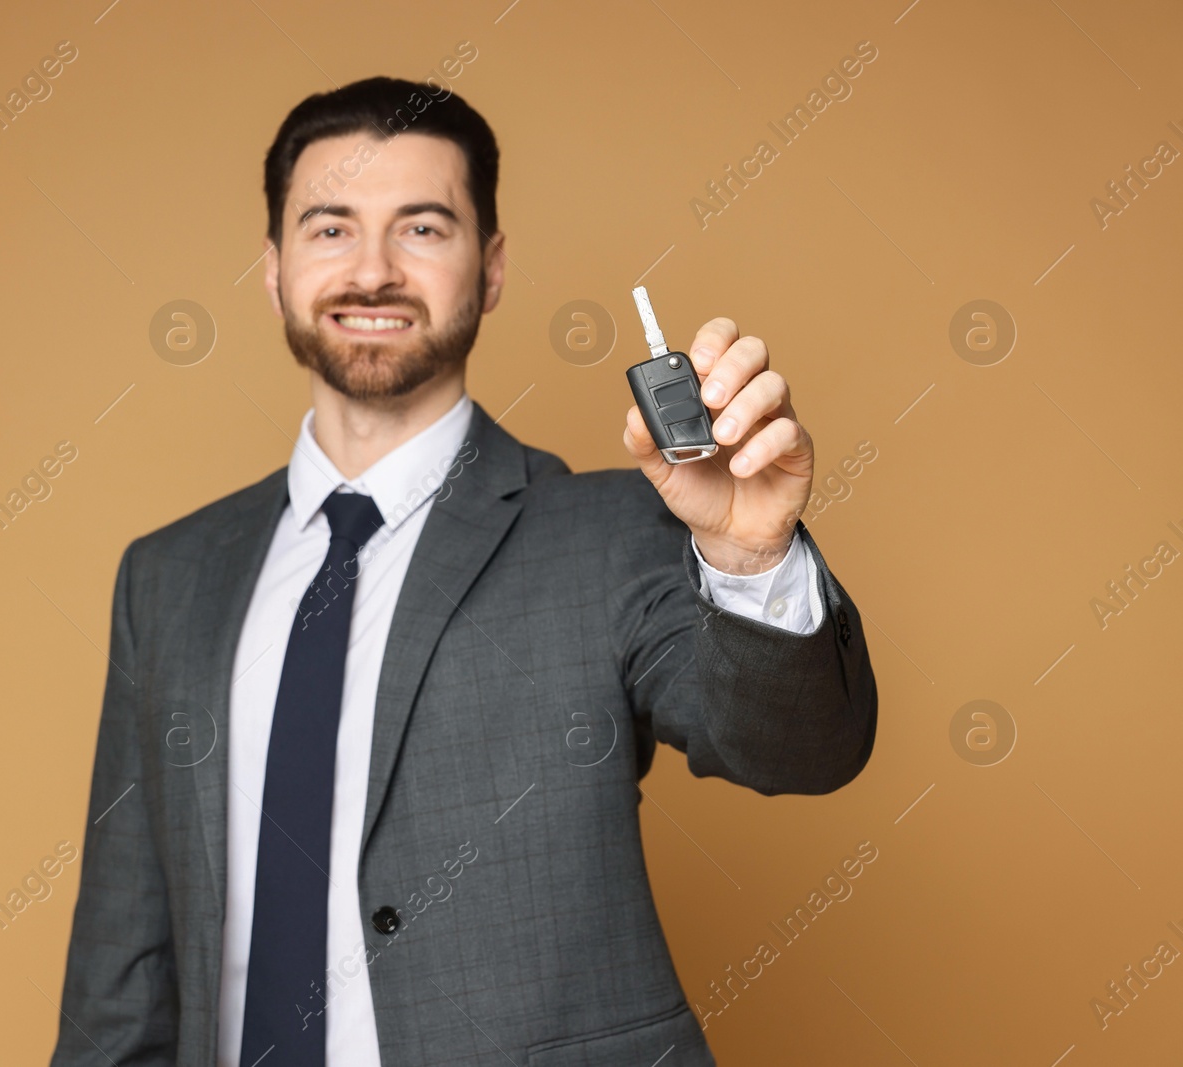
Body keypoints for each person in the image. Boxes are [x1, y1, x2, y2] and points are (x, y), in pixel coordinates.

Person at [49, 75, 876, 1067]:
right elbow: (121, 954)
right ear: (272, 268)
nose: (373, 270)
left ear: (489, 269)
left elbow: (802, 750)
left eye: (423, 228)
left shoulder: (614, 531)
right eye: (328, 228)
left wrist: (748, 552)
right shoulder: (168, 575)